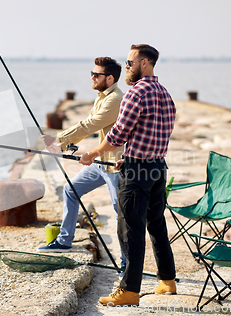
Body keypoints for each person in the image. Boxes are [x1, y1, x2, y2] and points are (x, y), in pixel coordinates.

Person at [79, 44, 177, 306]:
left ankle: (129, 290)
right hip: (157, 168)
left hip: (138, 173)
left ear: (145, 63)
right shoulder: (165, 93)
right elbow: (156, 135)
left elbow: (118, 134)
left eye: (130, 62)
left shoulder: (136, 93)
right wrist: (130, 157)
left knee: (130, 230)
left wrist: (93, 154)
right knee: (156, 225)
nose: (127, 67)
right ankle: (167, 280)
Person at [37, 57, 127, 270]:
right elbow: (87, 124)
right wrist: (63, 141)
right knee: (71, 189)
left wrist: (59, 140)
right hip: (102, 162)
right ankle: (64, 240)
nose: (92, 77)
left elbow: (90, 125)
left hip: (115, 166)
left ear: (110, 78)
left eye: (96, 74)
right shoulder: (102, 97)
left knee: (120, 214)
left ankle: (127, 263)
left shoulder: (115, 99)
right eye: (92, 73)